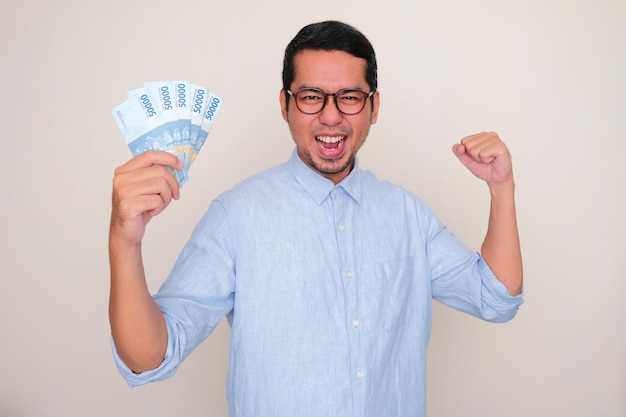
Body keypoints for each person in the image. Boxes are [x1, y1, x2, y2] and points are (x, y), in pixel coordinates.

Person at [109, 20, 523, 417]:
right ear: (285, 105)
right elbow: (150, 358)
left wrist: (501, 188)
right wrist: (124, 242)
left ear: (373, 106)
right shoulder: (237, 216)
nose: (330, 116)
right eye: (310, 96)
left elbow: (496, 297)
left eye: (349, 96)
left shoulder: (407, 214)